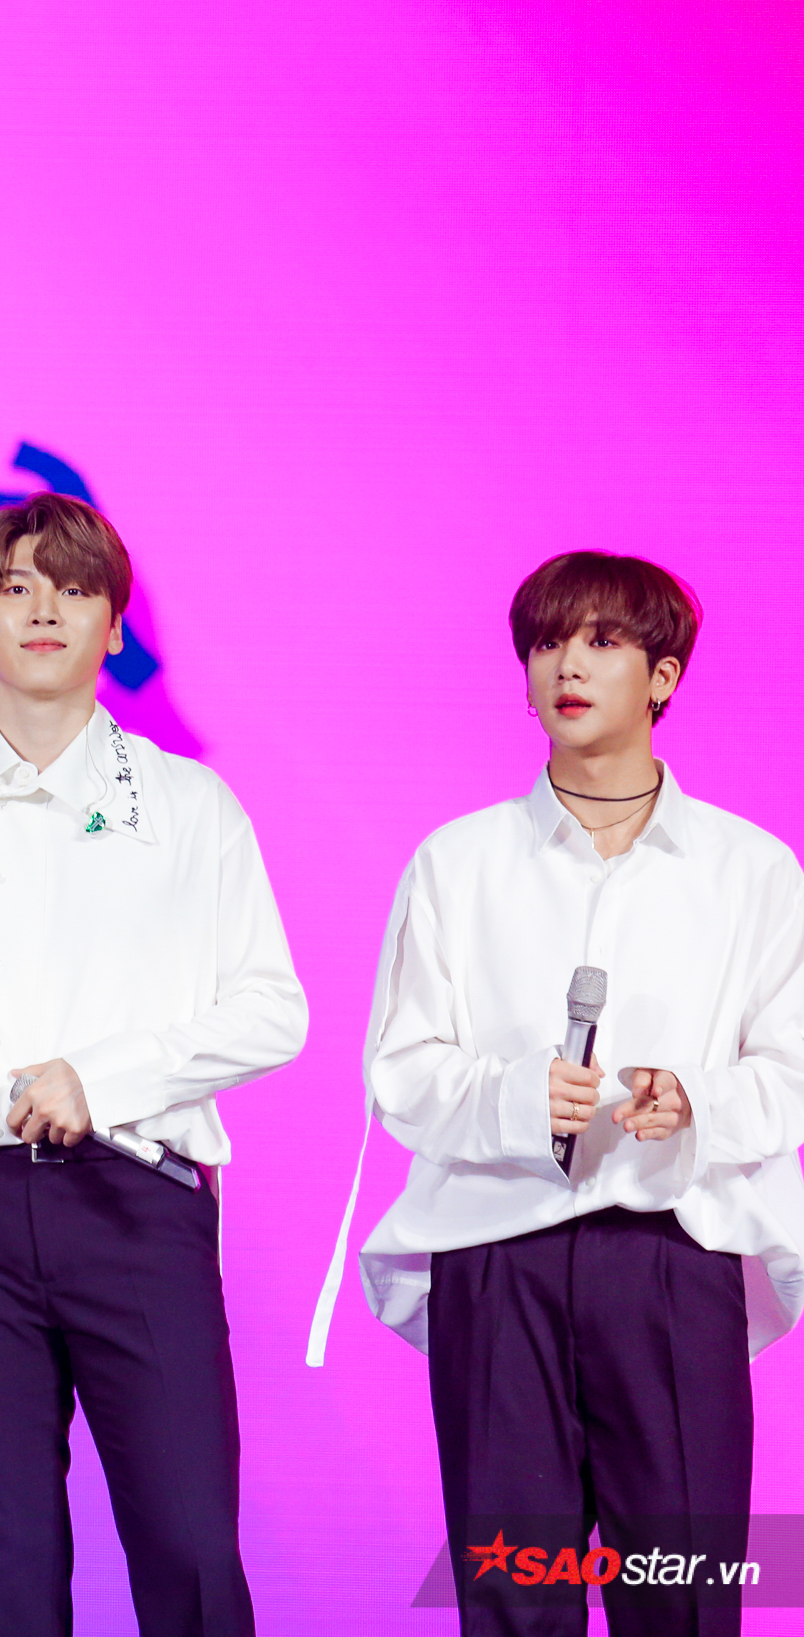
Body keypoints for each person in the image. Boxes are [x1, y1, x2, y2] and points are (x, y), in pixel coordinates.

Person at [0, 493, 306, 1637]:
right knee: (5, 1562)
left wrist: (106, 1075)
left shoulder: (189, 805)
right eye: (15, 587)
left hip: (135, 1197)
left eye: (75, 588)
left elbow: (272, 1009)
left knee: (190, 1545)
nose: (44, 608)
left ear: (115, 625)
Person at [316, 551, 804, 1636]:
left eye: (601, 641)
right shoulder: (457, 863)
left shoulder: (752, 872)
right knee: (510, 1594)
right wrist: (513, 1097)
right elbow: (401, 1067)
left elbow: (791, 1071)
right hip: (498, 1261)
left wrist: (696, 1101)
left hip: (672, 1260)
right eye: (545, 642)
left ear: (663, 676)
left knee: (678, 1596)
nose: (565, 665)